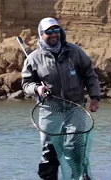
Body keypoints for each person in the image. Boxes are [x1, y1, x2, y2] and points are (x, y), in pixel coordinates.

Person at [21, 17, 101, 180]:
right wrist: (38, 88)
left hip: (75, 108)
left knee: (74, 146)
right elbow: (26, 83)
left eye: (56, 30)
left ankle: (80, 176)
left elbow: (90, 75)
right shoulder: (34, 58)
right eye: (48, 32)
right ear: (41, 34)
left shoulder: (74, 51)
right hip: (49, 110)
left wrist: (95, 97)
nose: (53, 34)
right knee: (49, 151)